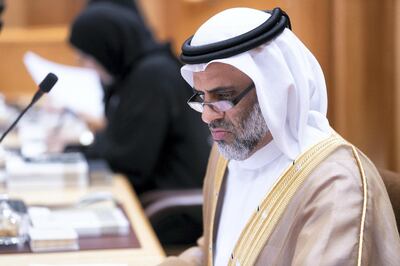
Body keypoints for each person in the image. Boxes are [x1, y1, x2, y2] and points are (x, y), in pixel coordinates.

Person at [160, 7, 400, 266]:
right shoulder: (229, 150)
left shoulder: (335, 184)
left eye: (224, 98)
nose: (207, 116)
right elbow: (215, 253)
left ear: (273, 90)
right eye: (202, 98)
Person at [68, 2, 210, 195]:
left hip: (168, 207)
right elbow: (119, 139)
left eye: (86, 57)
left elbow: (128, 161)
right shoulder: (136, 71)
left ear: (107, 48)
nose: (86, 67)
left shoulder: (152, 76)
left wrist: (74, 149)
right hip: (154, 196)